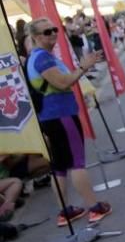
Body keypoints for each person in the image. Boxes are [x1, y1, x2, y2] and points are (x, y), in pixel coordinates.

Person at [25, 18, 111, 226]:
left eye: (55, 29)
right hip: (60, 115)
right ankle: (94, 208)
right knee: (77, 162)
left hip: (53, 116)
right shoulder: (43, 58)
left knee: (60, 165)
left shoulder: (40, 56)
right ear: (36, 37)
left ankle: (65, 212)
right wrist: (84, 66)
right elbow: (63, 83)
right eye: (47, 32)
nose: (53, 34)